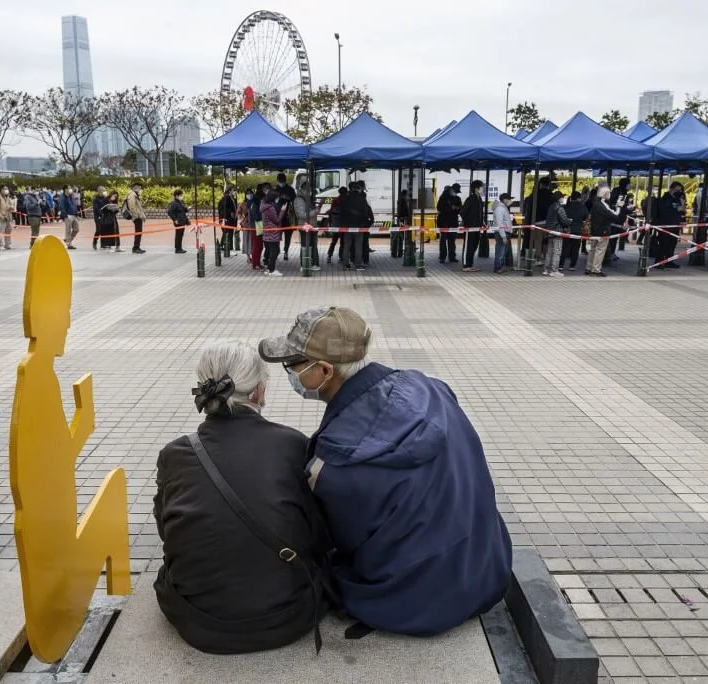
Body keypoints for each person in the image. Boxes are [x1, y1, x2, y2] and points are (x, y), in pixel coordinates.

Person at [258, 306, 512, 636]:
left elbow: (340, 541)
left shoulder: (335, 463)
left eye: (293, 365)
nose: (290, 373)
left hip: (416, 603)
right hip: (486, 569)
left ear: (324, 371)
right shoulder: (431, 388)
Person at [154, 340, 330, 654]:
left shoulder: (174, 454)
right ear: (259, 391)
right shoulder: (293, 445)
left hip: (199, 622)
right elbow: (316, 530)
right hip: (288, 616)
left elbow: (167, 532)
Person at [587, 186, 623, 277]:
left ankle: (589, 267)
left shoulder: (596, 203)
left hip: (594, 230)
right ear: (605, 194)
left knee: (592, 249)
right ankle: (596, 269)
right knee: (600, 250)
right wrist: (619, 207)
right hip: (603, 231)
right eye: (609, 193)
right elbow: (614, 216)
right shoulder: (603, 205)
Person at [340, 182, 373, 271]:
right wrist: (363, 222)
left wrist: (343, 224)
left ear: (351, 189)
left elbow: (342, 212)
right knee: (358, 245)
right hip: (358, 226)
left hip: (347, 226)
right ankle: (357, 264)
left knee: (347, 245)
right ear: (358, 189)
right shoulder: (362, 199)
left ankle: (345, 264)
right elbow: (366, 213)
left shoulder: (346, 199)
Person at [652, 182, 684, 269]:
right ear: (671, 189)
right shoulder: (664, 199)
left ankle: (669, 261)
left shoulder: (677, 199)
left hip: (675, 225)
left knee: (672, 244)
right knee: (663, 244)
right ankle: (659, 262)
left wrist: (682, 204)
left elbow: (682, 210)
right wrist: (677, 209)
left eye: (679, 190)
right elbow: (664, 212)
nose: (678, 192)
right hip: (665, 225)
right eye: (676, 190)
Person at [543, 191, 571, 276]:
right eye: (562, 197)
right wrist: (569, 221)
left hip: (549, 231)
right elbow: (564, 220)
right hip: (557, 232)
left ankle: (546, 269)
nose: (563, 198)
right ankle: (554, 270)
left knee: (549, 251)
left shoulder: (551, 207)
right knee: (557, 251)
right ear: (559, 198)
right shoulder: (559, 208)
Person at [460, 180, 485, 272]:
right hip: (470, 228)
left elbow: (480, 213)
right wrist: (468, 223)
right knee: (468, 246)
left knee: (474, 246)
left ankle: (470, 265)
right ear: (476, 189)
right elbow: (462, 212)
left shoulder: (480, 199)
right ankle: (466, 265)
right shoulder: (470, 199)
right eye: (481, 187)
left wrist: (482, 223)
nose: (483, 189)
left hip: (477, 228)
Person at [560, 190, 588, 272]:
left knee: (564, 247)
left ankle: (561, 265)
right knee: (575, 248)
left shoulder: (566, 206)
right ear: (579, 198)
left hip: (567, 229)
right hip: (578, 230)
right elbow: (586, 216)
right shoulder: (583, 207)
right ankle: (572, 266)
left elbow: (562, 217)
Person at [261, 189, 286, 276]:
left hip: (267, 233)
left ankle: (269, 268)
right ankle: (271, 270)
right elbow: (277, 220)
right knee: (274, 251)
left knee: (272, 251)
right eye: (277, 198)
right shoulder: (270, 208)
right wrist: (282, 211)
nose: (277, 199)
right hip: (273, 233)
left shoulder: (264, 206)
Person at [275, 173, 297, 261]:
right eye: (280, 181)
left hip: (288, 216)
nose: (281, 183)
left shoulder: (290, 189)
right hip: (277, 216)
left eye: (282, 181)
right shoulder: (275, 189)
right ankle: (277, 251)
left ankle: (286, 251)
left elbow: (295, 200)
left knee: (288, 236)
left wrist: (288, 198)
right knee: (276, 236)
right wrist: (279, 198)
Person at [436, 185, 460, 264]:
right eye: (455, 192)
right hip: (444, 222)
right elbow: (439, 208)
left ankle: (451, 256)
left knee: (452, 240)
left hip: (453, 222)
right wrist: (451, 208)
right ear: (451, 190)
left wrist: (456, 208)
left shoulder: (457, 198)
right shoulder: (443, 198)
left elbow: (460, 209)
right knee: (444, 240)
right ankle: (443, 257)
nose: (456, 193)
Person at [491, 193, 514, 273]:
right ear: (504, 200)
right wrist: (503, 236)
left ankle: (500, 266)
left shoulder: (503, 207)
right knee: (500, 251)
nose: (510, 201)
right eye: (509, 199)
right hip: (502, 233)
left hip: (504, 232)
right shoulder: (500, 209)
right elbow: (499, 223)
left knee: (502, 251)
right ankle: (498, 268)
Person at [325, 187, 347, 263]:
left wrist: (330, 223)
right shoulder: (346, 201)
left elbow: (330, 213)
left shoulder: (335, 201)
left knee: (334, 241)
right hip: (343, 225)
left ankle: (329, 256)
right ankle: (341, 256)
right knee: (342, 242)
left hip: (335, 224)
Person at [126, 182, 148, 254]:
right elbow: (132, 207)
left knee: (139, 232)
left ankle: (137, 247)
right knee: (138, 232)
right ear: (135, 187)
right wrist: (136, 216)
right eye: (139, 188)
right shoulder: (132, 195)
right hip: (137, 217)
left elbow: (137, 206)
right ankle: (135, 248)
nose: (140, 190)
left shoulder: (135, 195)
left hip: (138, 216)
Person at [0, 186, 15, 250]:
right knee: (0, 232)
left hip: (8, 217)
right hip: (1, 218)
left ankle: (8, 244)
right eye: (4, 189)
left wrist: (10, 207)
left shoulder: (7, 197)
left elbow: (8, 206)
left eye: (7, 189)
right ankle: (0, 244)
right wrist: (1, 216)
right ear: (1, 190)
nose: (6, 190)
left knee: (8, 231)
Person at [167, 189, 190, 254]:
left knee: (181, 235)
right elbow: (170, 212)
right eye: (180, 195)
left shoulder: (180, 202)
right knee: (178, 235)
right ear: (176, 196)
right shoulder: (174, 203)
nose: (181, 196)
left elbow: (183, 211)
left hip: (182, 221)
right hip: (178, 222)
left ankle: (180, 248)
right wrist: (175, 219)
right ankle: (177, 249)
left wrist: (187, 209)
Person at [218, 187, 238, 257]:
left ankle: (222, 246)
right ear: (230, 191)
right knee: (227, 233)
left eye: (236, 191)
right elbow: (223, 208)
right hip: (226, 219)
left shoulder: (234, 199)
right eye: (234, 190)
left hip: (232, 219)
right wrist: (230, 213)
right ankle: (228, 248)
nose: (235, 192)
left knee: (228, 233)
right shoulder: (226, 198)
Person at [393, 189, 411, 258]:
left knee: (400, 237)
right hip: (402, 220)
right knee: (400, 237)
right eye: (407, 195)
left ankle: (398, 252)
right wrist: (405, 216)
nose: (407, 196)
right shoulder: (402, 201)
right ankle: (399, 253)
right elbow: (404, 211)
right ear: (405, 195)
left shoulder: (401, 200)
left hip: (401, 220)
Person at [238, 188, 253, 266]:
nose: (249, 195)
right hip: (246, 225)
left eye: (250, 193)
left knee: (252, 241)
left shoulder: (254, 202)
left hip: (253, 225)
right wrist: (242, 217)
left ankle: (253, 255)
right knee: (246, 240)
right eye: (248, 193)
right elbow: (238, 213)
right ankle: (248, 257)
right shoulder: (243, 204)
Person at [91, 186, 107, 251]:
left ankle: (103, 244)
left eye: (104, 190)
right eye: (103, 190)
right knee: (99, 230)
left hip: (104, 216)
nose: (104, 192)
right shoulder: (95, 199)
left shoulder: (105, 198)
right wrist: (101, 214)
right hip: (98, 217)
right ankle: (94, 241)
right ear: (99, 191)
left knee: (104, 230)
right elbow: (96, 208)